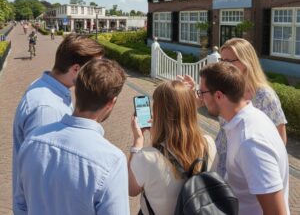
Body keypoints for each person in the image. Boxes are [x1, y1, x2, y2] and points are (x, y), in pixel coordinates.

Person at [14, 59, 129, 215]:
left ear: (77, 90)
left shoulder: (32, 140)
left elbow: (20, 206)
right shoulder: (112, 160)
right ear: (111, 103)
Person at [12, 33, 104, 213]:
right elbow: (44, 179)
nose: (97, 74)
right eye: (94, 69)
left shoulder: (50, 89)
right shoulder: (47, 109)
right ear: (76, 69)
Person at [199, 62, 289, 215]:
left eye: (202, 92)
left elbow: (276, 212)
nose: (200, 98)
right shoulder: (248, 118)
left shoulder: (250, 142)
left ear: (219, 95)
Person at [128, 80, 217, 215]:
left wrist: (138, 141)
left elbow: (131, 190)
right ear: (191, 110)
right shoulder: (208, 143)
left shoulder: (146, 157)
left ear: (158, 112)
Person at [215, 38, 287, 177]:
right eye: (221, 60)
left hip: (249, 169)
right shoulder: (226, 90)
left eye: (229, 61)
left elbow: (280, 138)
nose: (223, 66)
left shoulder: (264, 95)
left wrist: (268, 171)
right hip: (222, 162)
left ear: (246, 62)